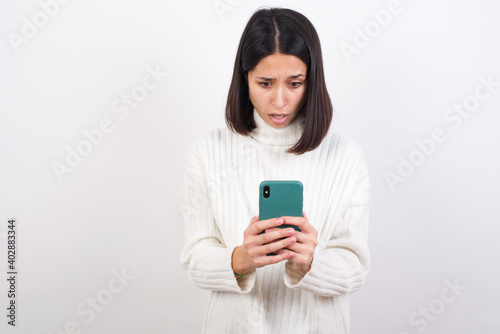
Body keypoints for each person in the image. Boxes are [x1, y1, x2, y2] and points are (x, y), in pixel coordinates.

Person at [180, 7, 370, 334]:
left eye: (294, 83)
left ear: (312, 80)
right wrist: (241, 259)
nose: (280, 101)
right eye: (265, 83)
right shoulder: (208, 151)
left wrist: (311, 262)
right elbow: (194, 259)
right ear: (245, 80)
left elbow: (356, 268)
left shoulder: (344, 155)